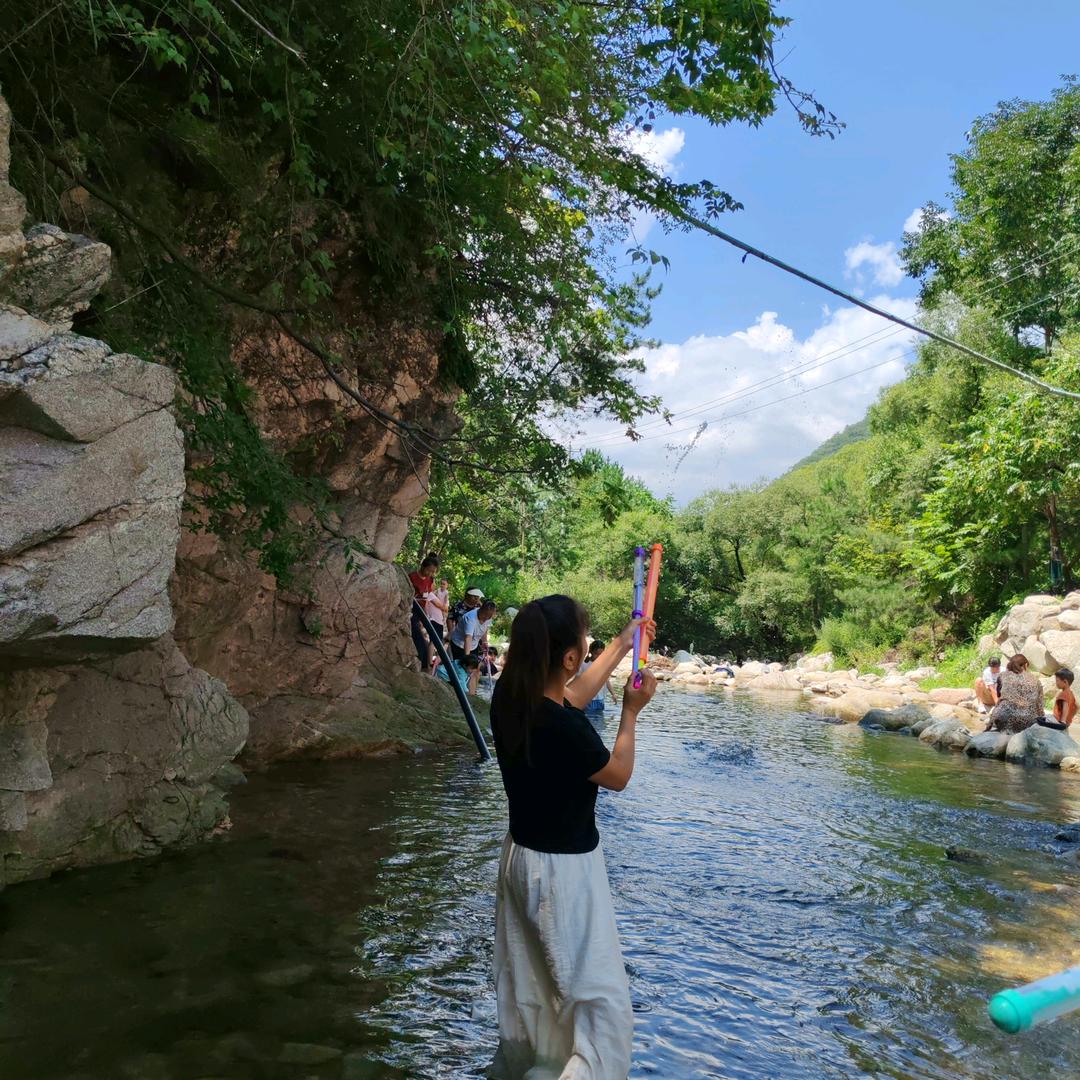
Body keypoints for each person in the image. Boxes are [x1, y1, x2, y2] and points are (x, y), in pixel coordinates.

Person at [488, 596, 656, 1080]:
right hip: (563, 874)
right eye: (586, 637)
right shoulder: (565, 728)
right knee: (601, 1008)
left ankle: (530, 1069)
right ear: (567, 656)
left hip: (520, 859)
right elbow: (619, 773)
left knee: (534, 992)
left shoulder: (511, 698)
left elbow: (572, 694)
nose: (588, 644)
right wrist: (631, 711)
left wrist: (625, 642)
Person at [985, 653, 1044, 735]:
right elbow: (1040, 706)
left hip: (1003, 721)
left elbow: (999, 697)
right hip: (1027, 724)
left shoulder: (1002, 676)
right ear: (1025, 665)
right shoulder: (1036, 680)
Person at [451, 599, 497, 694]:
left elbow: (484, 629)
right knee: (462, 671)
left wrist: (484, 642)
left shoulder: (488, 618)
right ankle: (459, 693)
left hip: (474, 645)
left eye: (489, 617)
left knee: (476, 670)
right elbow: (467, 638)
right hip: (459, 644)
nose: (486, 619)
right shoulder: (470, 618)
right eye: (485, 616)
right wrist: (467, 658)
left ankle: (473, 694)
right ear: (481, 609)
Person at [573, 639, 617, 727]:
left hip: (600, 700)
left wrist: (613, 694)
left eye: (601, 654)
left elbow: (606, 680)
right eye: (596, 654)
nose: (598, 657)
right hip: (588, 700)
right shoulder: (584, 665)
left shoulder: (604, 664)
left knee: (600, 726)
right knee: (589, 724)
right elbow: (577, 680)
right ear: (591, 652)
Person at [407, 553, 439, 671]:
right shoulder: (412, 577)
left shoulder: (430, 580)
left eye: (433, 572)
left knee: (430, 636)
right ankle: (423, 664)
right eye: (429, 571)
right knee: (418, 636)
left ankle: (425, 664)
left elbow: (426, 597)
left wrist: (424, 615)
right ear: (423, 566)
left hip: (421, 611)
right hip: (412, 610)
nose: (430, 574)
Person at [424, 577, 450, 663]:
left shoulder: (445, 593)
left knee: (437, 641)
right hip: (435, 620)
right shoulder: (432, 594)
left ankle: (434, 661)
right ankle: (430, 662)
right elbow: (444, 607)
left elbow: (445, 606)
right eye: (440, 583)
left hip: (439, 619)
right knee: (435, 641)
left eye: (444, 584)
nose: (441, 585)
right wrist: (445, 608)